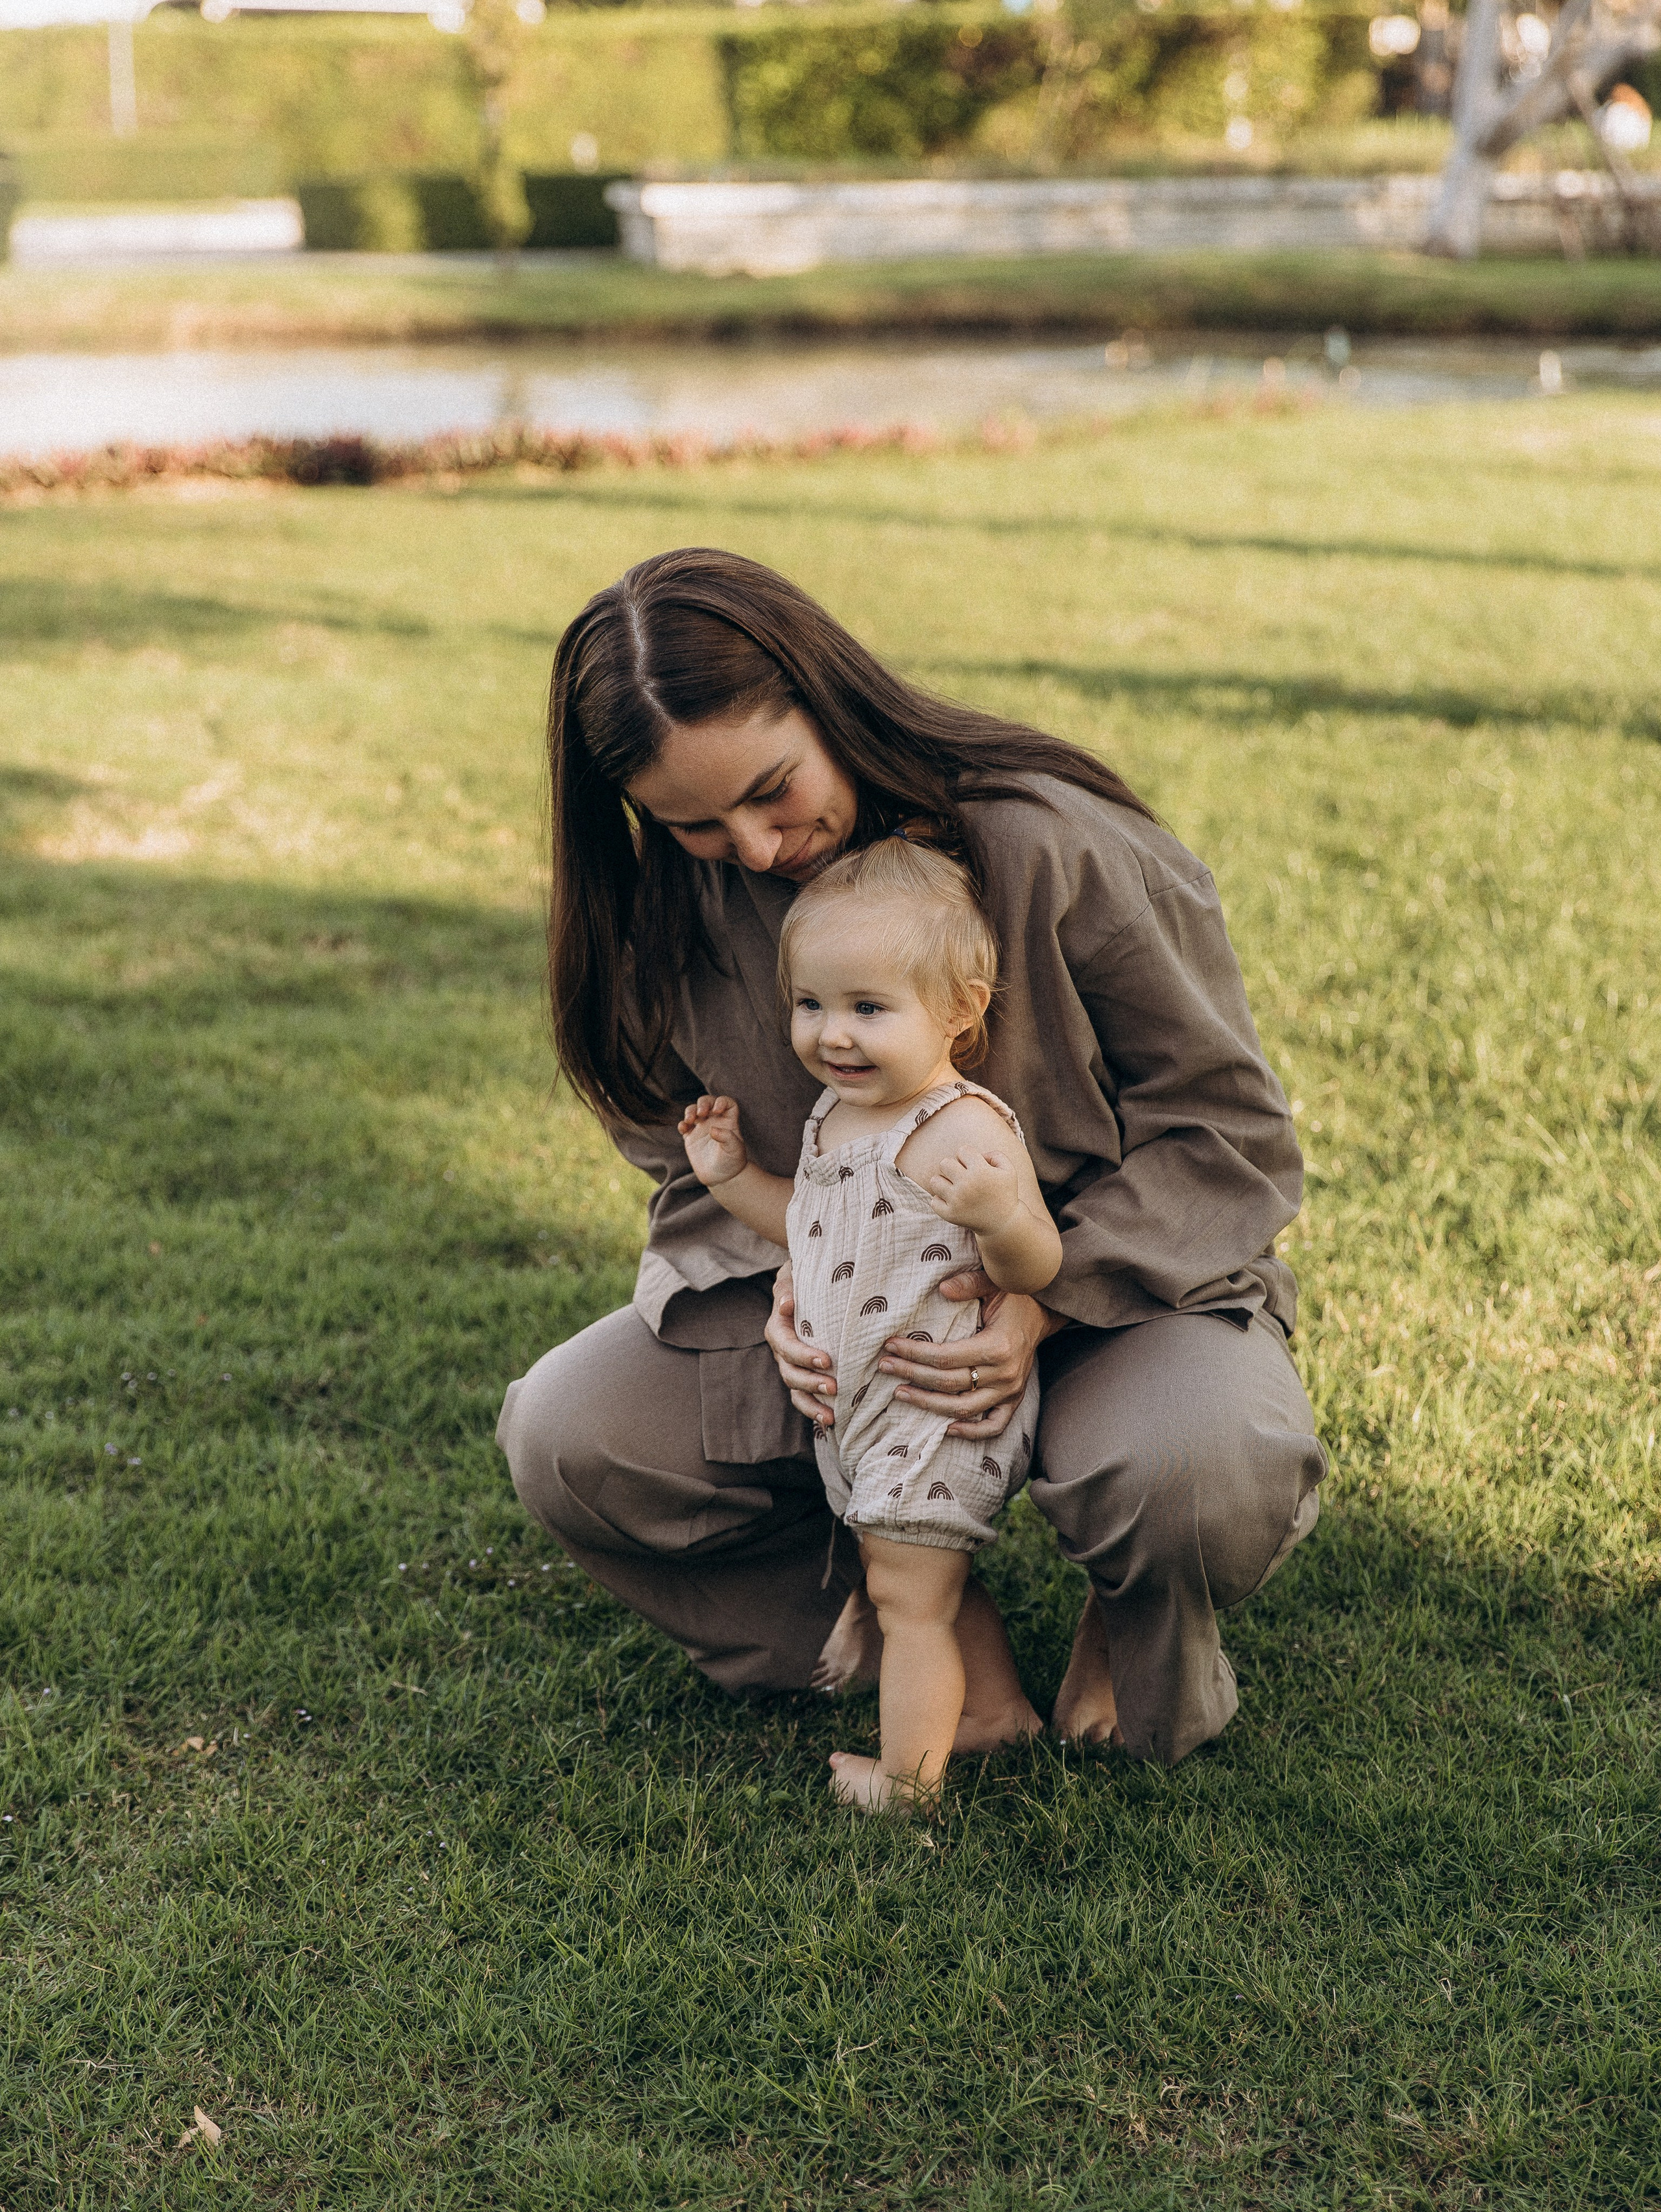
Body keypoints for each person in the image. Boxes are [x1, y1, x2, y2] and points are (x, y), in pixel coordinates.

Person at [496, 546, 1327, 1768]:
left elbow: (1226, 1131)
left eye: (772, 790)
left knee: (1196, 1472)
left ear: (824, 695)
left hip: (1120, 1297)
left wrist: (1040, 1301)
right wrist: (786, 1279)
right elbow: (686, 1163)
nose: (757, 845)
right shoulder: (665, 913)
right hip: (860, 1330)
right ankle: (917, 1621)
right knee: (567, 1432)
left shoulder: (1048, 842)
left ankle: (1133, 1622)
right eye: (695, 824)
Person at [677, 837, 1063, 1810]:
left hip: (939, 1414)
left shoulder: (964, 1128)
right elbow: (806, 1219)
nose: (833, 1035)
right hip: (867, 1415)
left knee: (909, 1601)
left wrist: (1000, 1220)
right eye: (811, 1004)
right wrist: (732, 1176)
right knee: (918, 1581)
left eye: (868, 1009)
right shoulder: (835, 1118)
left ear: (959, 1010)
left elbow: (1037, 1265)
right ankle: (994, 1713)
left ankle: (907, 1783)